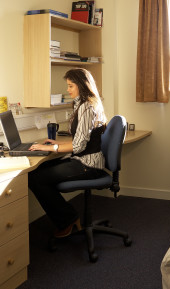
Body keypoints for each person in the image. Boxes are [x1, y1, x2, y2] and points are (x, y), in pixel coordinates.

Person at [28, 68, 107, 238]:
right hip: (82, 159)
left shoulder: (87, 107)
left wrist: (50, 148)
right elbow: (81, 139)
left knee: (36, 178)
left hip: (89, 165)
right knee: (37, 172)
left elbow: (78, 146)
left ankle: (68, 220)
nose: (68, 89)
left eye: (71, 86)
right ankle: (68, 217)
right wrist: (58, 143)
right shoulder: (82, 103)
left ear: (81, 85)